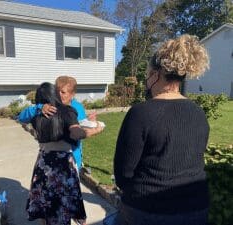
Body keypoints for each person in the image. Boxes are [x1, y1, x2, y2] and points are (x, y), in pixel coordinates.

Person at [113, 34, 210, 225]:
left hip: (147, 209)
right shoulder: (199, 113)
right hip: (196, 209)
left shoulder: (141, 113)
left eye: (148, 75)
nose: (146, 81)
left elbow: (123, 173)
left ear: (156, 75)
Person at [26, 82, 102, 225]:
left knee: (45, 202)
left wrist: (38, 108)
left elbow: (22, 118)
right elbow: (76, 133)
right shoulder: (68, 110)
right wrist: (95, 129)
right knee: (64, 201)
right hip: (62, 163)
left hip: (43, 162)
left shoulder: (37, 116)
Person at [18, 76, 96, 170]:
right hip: (49, 158)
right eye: (57, 91)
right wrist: (39, 108)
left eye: (63, 92)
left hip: (73, 157)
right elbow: (21, 117)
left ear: (72, 94)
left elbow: (80, 128)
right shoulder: (49, 106)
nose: (59, 94)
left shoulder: (77, 107)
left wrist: (90, 123)